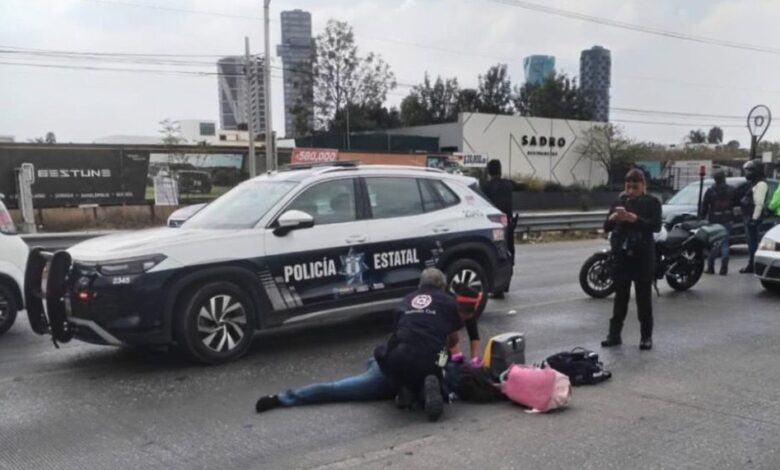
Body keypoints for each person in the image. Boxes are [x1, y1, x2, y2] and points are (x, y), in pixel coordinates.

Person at [255, 268, 478, 422]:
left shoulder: (405, 300)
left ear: (420, 284)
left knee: (338, 389)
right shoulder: (449, 302)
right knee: (443, 358)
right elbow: (452, 340)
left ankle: (281, 398)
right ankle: (427, 384)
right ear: (443, 286)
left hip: (395, 362)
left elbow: (399, 333)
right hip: (430, 362)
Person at [601, 169, 662, 351]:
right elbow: (606, 226)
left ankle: (646, 337)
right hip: (622, 256)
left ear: (643, 185)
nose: (631, 190)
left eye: (635, 187)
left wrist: (635, 219)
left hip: (642, 256)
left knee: (643, 299)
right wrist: (613, 218)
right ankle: (614, 335)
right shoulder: (620, 201)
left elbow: (656, 226)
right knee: (620, 298)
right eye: (628, 186)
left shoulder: (652, 202)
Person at [701, 169, 737, 275]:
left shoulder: (710, 191)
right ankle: (724, 266)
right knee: (725, 243)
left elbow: (704, 206)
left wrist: (702, 218)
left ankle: (711, 267)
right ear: (724, 178)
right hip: (727, 218)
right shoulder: (732, 190)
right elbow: (736, 203)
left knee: (714, 243)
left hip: (714, 219)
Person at [739, 159, 769, 274]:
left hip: (753, 217)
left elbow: (759, 203)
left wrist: (754, 219)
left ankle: (753, 265)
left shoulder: (761, 184)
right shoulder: (753, 183)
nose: (747, 173)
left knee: (753, 244)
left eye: (750, 170)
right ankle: (752, 264)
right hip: (749, 215)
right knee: (751, 243)